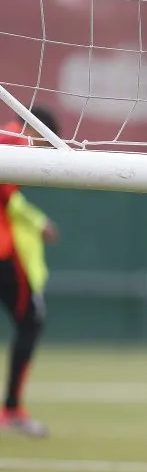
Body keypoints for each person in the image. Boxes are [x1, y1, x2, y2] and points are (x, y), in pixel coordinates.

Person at [0, 108, 61, 437]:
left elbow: (10, 202)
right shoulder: (16, 141)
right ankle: (11, 409)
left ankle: (12, 409)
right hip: (3, 256)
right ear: (39, 132)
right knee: (31, 321)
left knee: (31, 322)